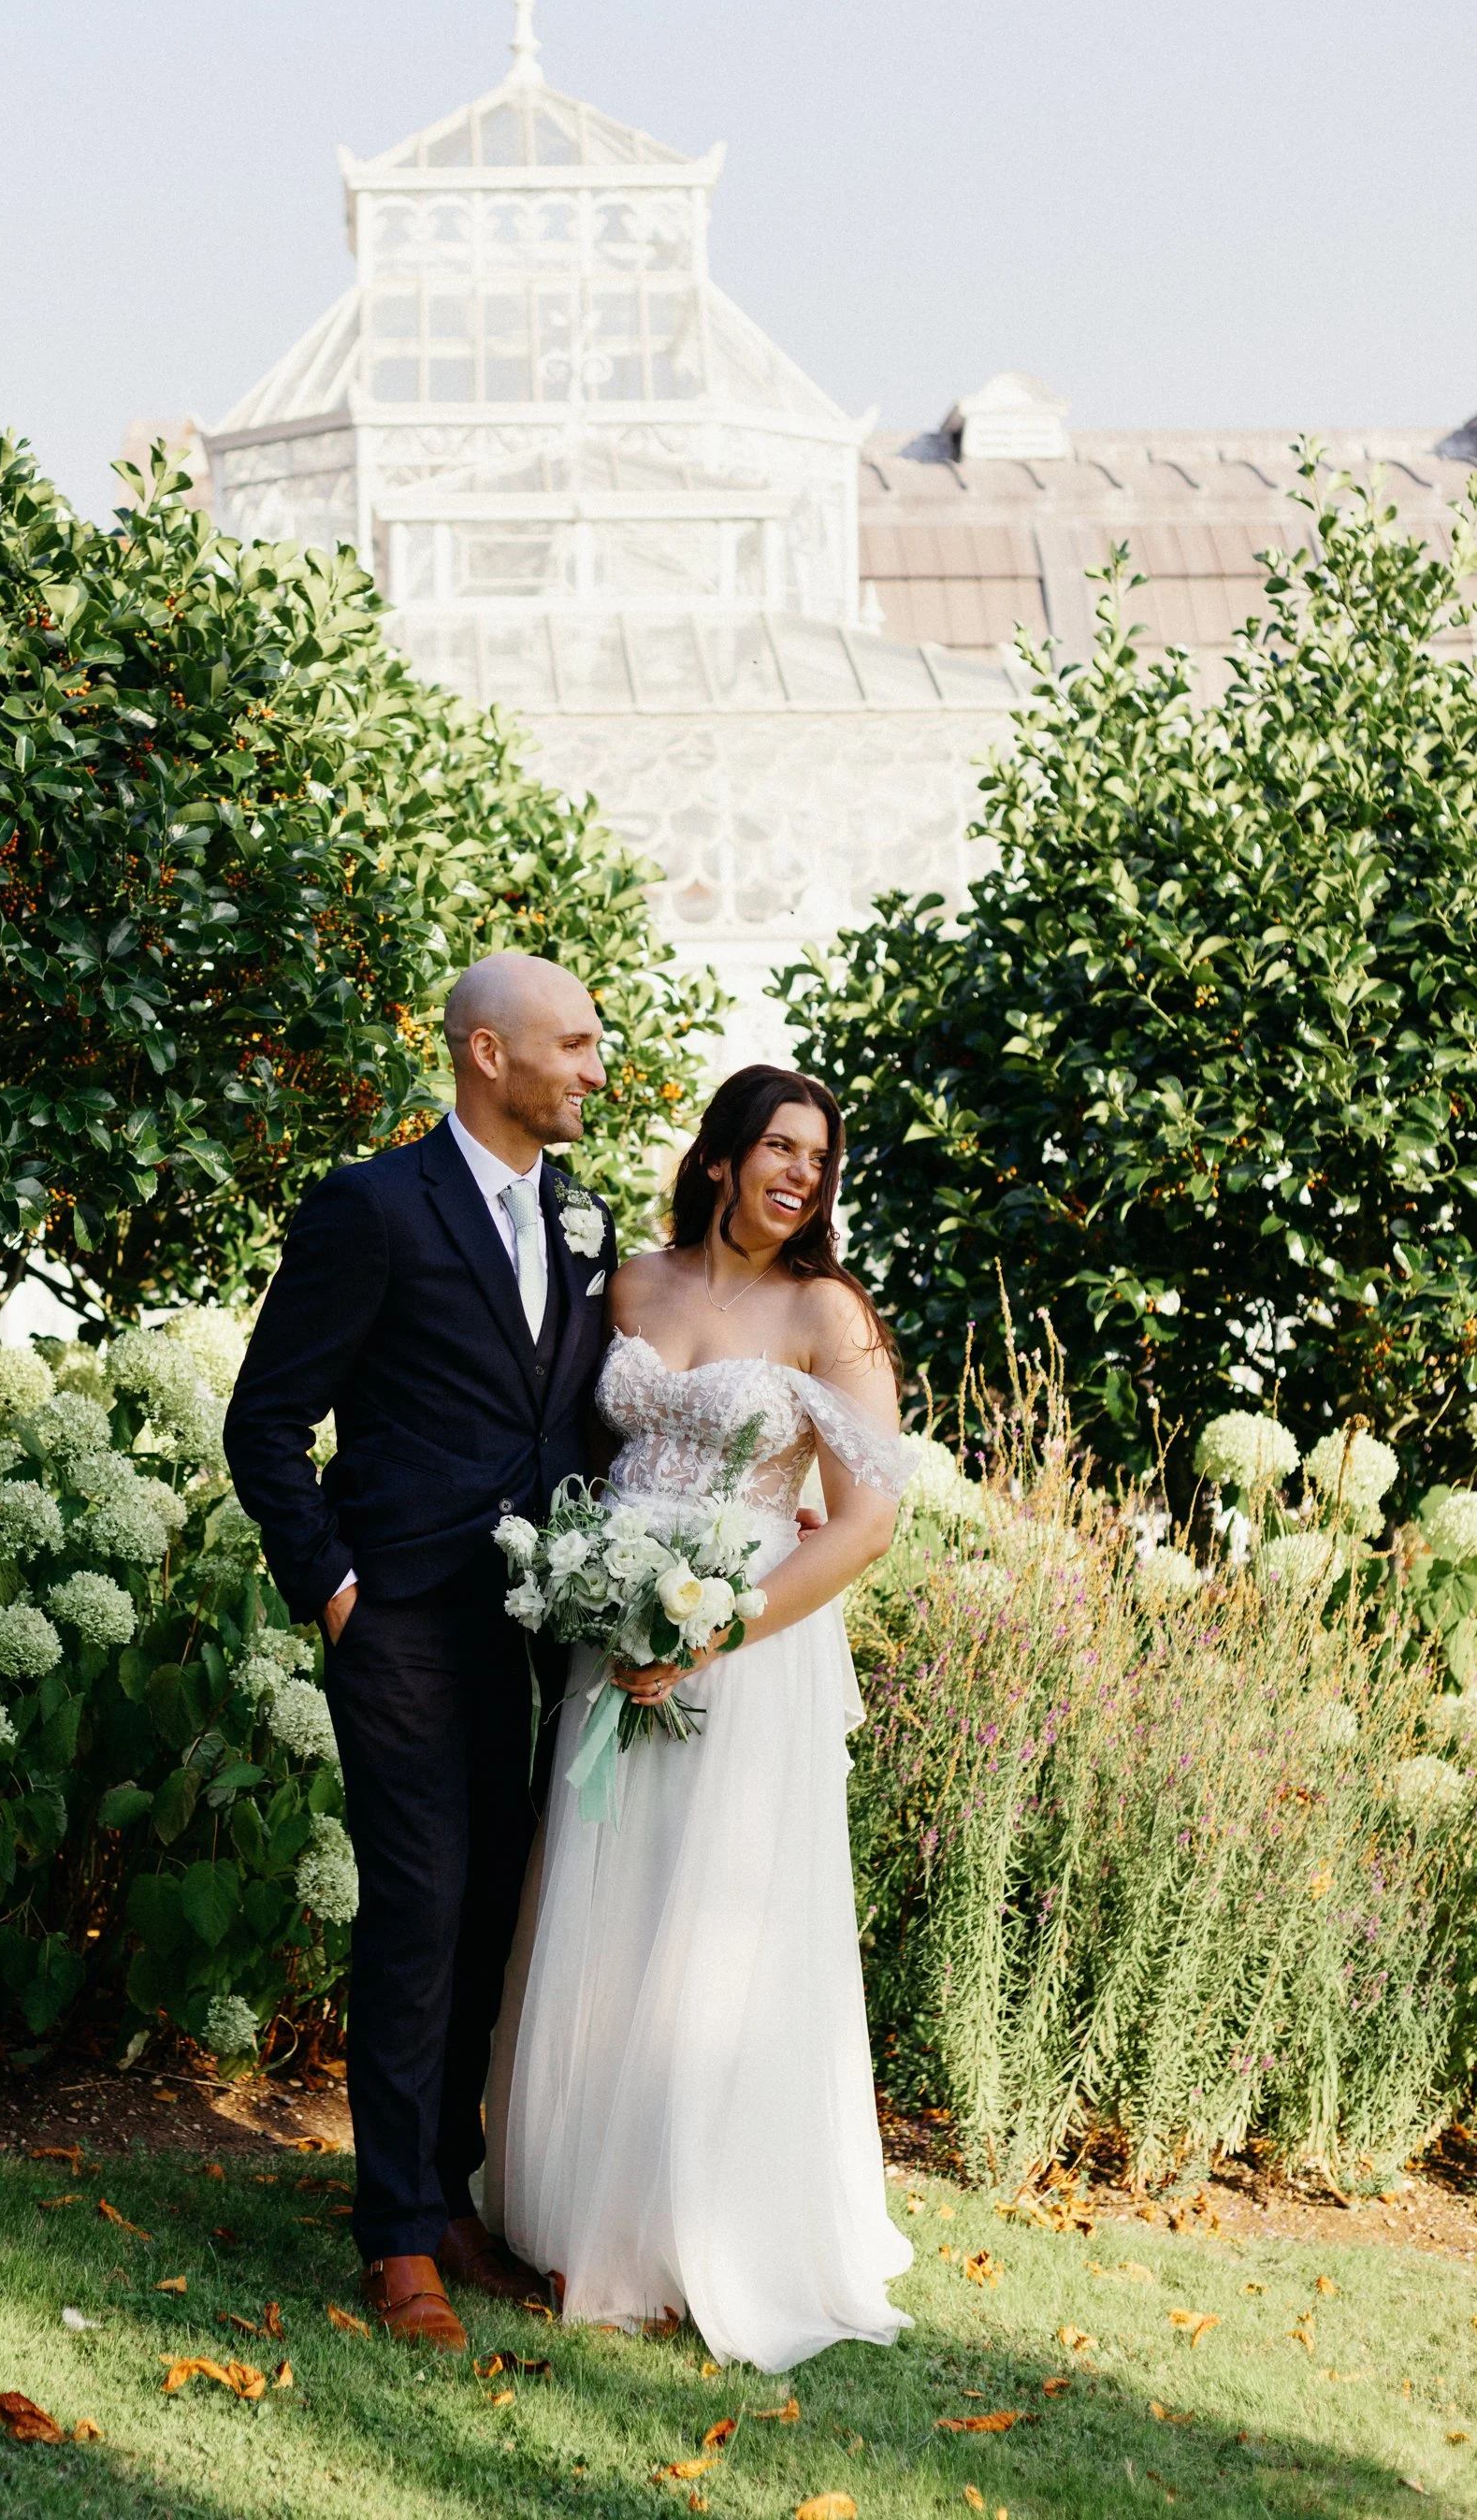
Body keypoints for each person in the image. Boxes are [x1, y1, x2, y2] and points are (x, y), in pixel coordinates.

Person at [484, 1064, 916, 2371]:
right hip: (610, 1638)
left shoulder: (826, 1313)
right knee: (599, 1910)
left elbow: (867, 1519)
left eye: (820, 1161)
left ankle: (696, 2227)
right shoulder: (632, 1282)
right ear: (723, 1157)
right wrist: (593, 1593)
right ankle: (570, 2203)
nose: (800, 1174)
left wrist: (723, 1625)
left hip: (743, 1647)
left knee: (710, 1934)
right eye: (778, 1147)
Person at [224, 951, 617, 2351]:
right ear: (485, 1055)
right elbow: (265, 1423)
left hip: (523, 1633)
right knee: (420, 1905)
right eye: (572, 1043)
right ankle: (396, 2238)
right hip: (392, 1618)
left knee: (493, 1903)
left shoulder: (582, 1218)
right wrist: (333, 1589)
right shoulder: (372, 1207)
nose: (596, 1063)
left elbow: (565, 1427)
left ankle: (447, 2196)